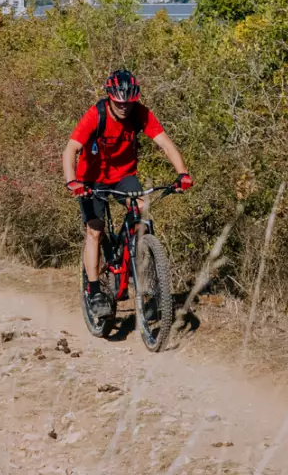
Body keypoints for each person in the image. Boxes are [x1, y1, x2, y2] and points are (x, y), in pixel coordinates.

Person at [61, 69, 193, 317]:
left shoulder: (140, 114)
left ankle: (144, 276)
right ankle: (95, 292)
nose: (124, 108)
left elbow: (165, 144)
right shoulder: (96, 114)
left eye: (129, 103)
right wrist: (72, 181)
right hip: (90, 180)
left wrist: (183, 173)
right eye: (120, 103)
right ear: (110, 97)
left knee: (142, 209)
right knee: (95, 231)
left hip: (123, 177)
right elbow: (70, 150)